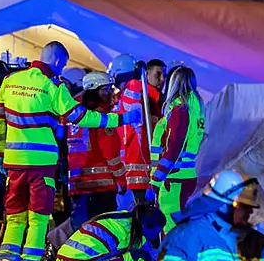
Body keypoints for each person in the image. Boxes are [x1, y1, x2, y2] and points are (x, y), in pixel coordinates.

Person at [0, 41, 142, 261]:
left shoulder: (10, 81)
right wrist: (122, 119)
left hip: (14, 164)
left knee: (14, 220)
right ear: (59, 62)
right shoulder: (54, 86)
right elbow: (82, 117)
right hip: (42, 166)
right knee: (37, 222)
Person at [67, 71, 126, 231]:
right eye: (105, 90)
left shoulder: (74, 115)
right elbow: (110, 152)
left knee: (80, 232)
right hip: (102, 187)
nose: (110, 94)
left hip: (77, 186)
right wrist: (121, 179)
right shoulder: (103, 116)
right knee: (104, 231)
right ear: (94, 90)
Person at [150, 66, 206, 234]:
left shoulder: (180, 110)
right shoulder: (196, 109)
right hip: (184, 176)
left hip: (173, 179)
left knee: (170, 228)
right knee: (179, 226)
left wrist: (155, 181)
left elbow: (173, 149)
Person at [111, 55, 164, 205]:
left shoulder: (131, 91)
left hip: (133, 169)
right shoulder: (129, 91)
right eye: (157, 74)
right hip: (133, 170)